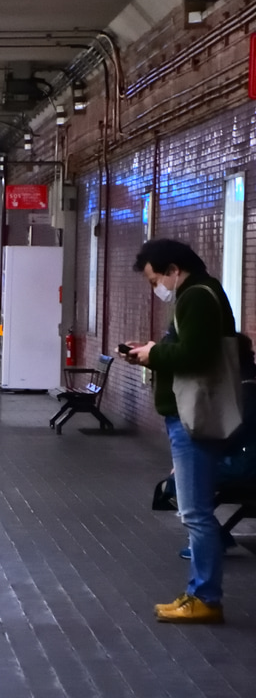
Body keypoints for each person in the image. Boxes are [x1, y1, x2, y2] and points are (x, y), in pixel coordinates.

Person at [124, 238, 233, 624]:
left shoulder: (197, 297)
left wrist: (154, 354)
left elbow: (195, 355)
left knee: (195, 512)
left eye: (156, 279)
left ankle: (205, 597)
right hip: (187, 416)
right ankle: (198, 593)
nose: (157, 288)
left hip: (194, 417)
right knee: (194, 510)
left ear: (173, 269)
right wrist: (155, 350)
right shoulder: (199, 294)